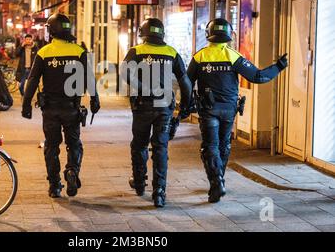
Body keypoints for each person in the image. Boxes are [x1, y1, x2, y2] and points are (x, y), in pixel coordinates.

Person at [187, 18, 288, 203]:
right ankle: (220, 180)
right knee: (224, 145)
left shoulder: (199, 56)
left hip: (208, 111)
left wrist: (185, 107)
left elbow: (187, 83)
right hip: (228, 111)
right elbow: (258, 76)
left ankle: (216, 181)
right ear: (228, 34)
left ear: (208, 35)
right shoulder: (233, 56)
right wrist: (279, 66)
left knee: (210, 147)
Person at [21, 13, 100, 198]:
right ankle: (72, 171)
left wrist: (26, 105)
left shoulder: (44, 52)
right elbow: (89, 77)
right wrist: (95, 99)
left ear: (52, 31)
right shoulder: (79, 51)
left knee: (51, 147)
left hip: (50, 109)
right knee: (74, 144)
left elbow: (32, 80)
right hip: (72, 108)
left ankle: (55, 185)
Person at [122, 17, 193, 208]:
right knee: (161, 147)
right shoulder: (171, 52)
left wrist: (142, 88)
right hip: (164, 107)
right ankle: (159, 191)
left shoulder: (136, 51)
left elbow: (124, 73)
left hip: (142, 106)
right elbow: (185, 81)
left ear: (143, 34)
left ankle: (138, 183)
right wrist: (186, 104)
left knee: (139, 144)